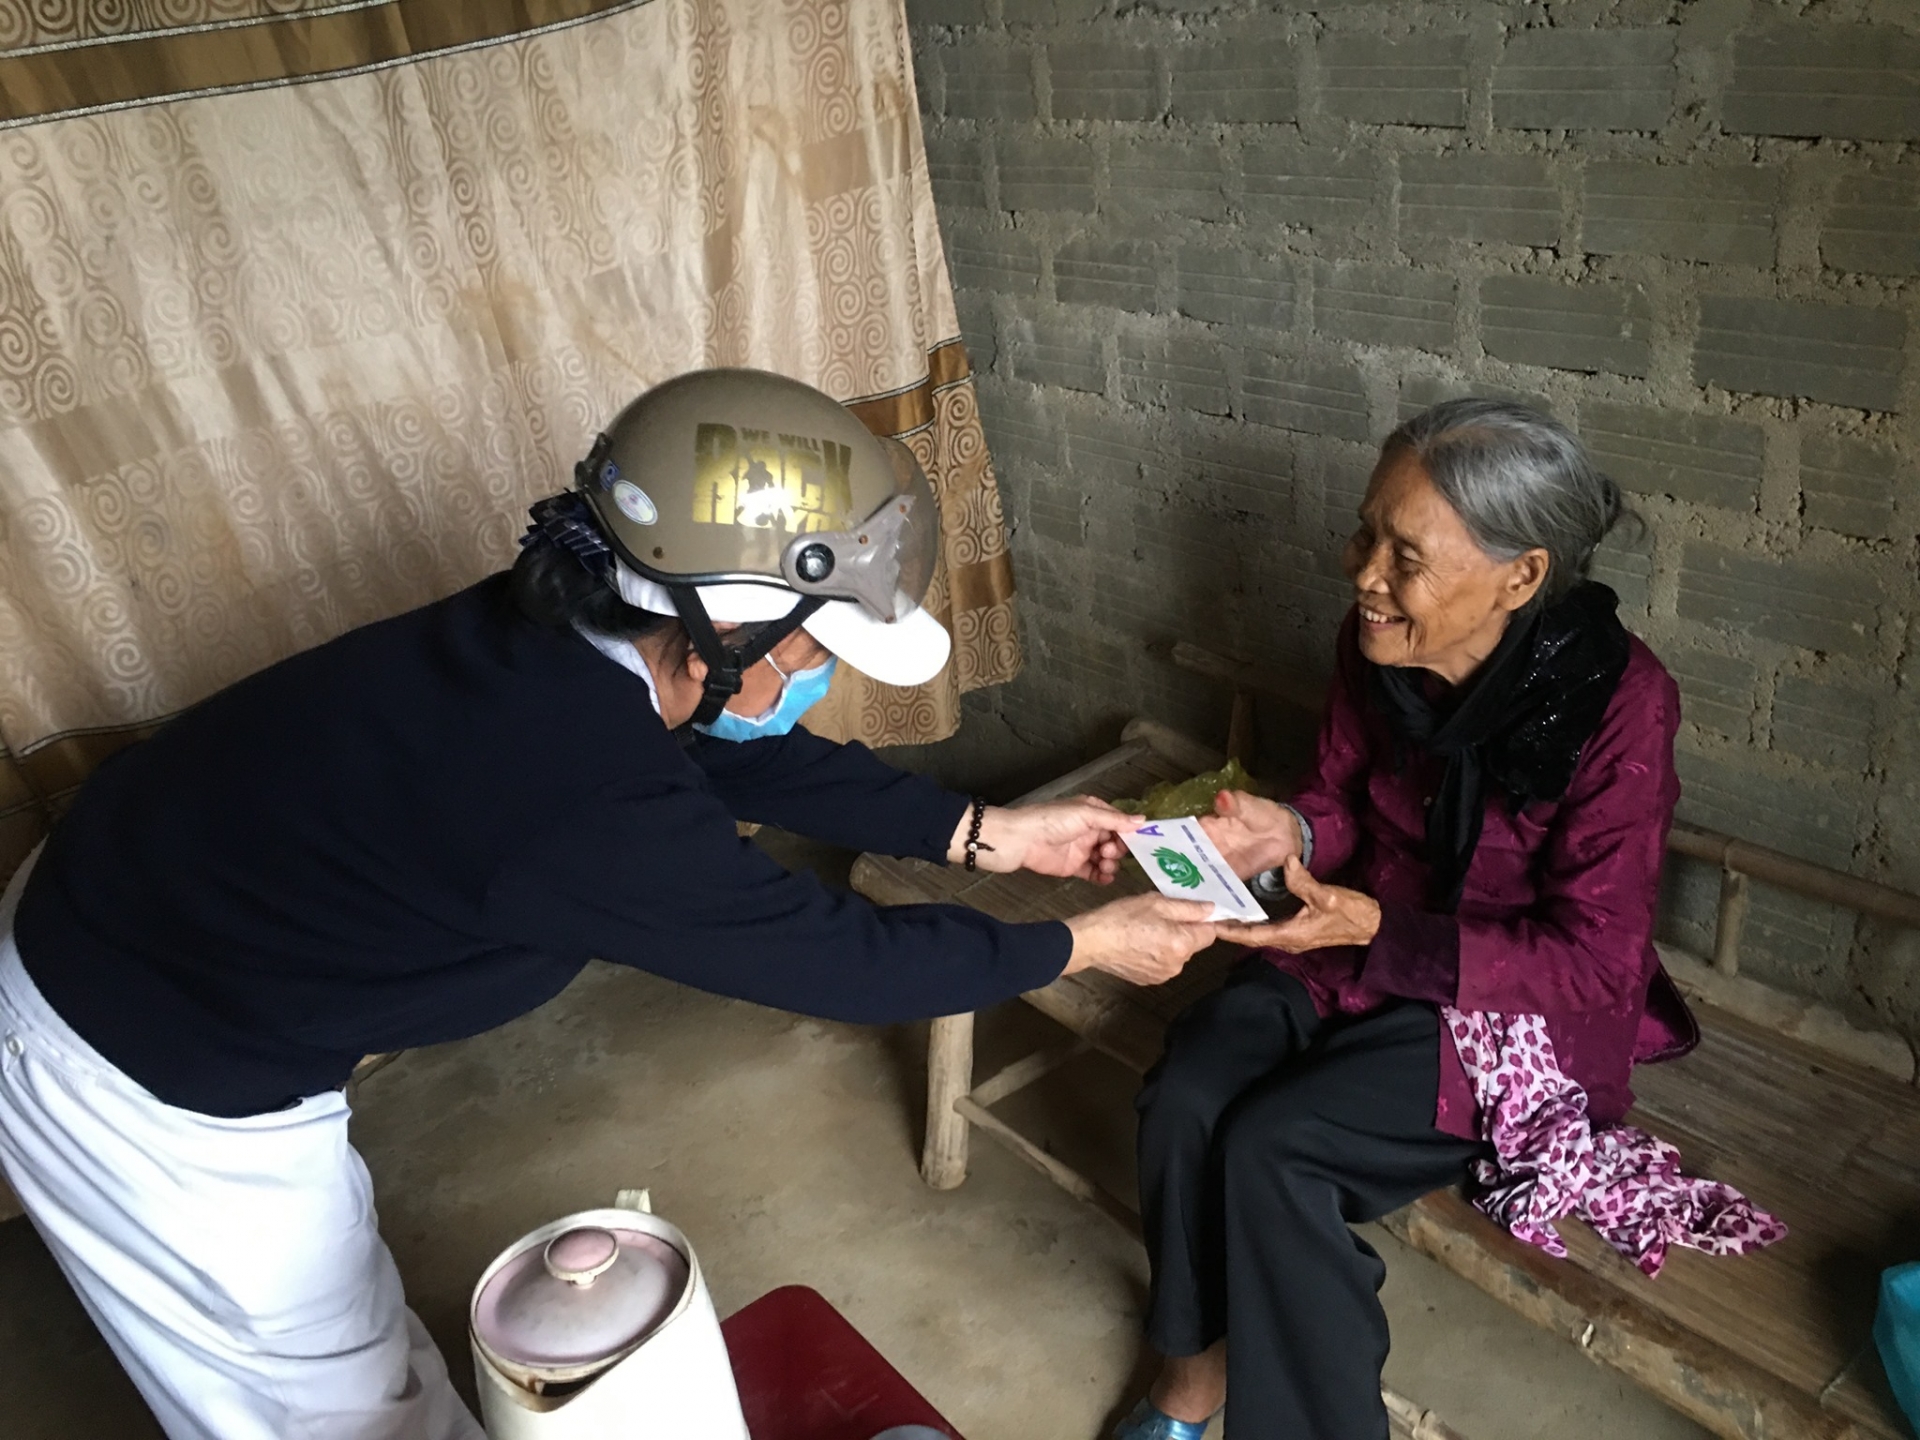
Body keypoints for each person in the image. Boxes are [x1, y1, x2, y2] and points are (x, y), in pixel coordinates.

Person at [0, 367, 1221, 1440]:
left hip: (146, 892)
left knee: (353, 1338)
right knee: (324, 1407)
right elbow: (844, 960)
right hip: (135, 1044)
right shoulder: (569, 800)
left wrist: (982, 832)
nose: (820, 682)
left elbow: (723, 746)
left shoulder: (578, 628)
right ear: (724, 622)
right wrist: (1081, 942)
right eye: (814, 654)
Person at [1116, 399, 1697, 1440]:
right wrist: (1284, 830)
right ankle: (1191, 1372)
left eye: (1404, 556)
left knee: (1277, 1149)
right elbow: (1342, 798)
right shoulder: (1377, 644)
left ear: (1521, 576)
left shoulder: (1620, 707)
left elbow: (1593, 961)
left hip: (1500, 1011)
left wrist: (1379, 935)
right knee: (1191, 1087)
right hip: (1346, 946)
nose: (1363, 575)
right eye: (1365, 533)